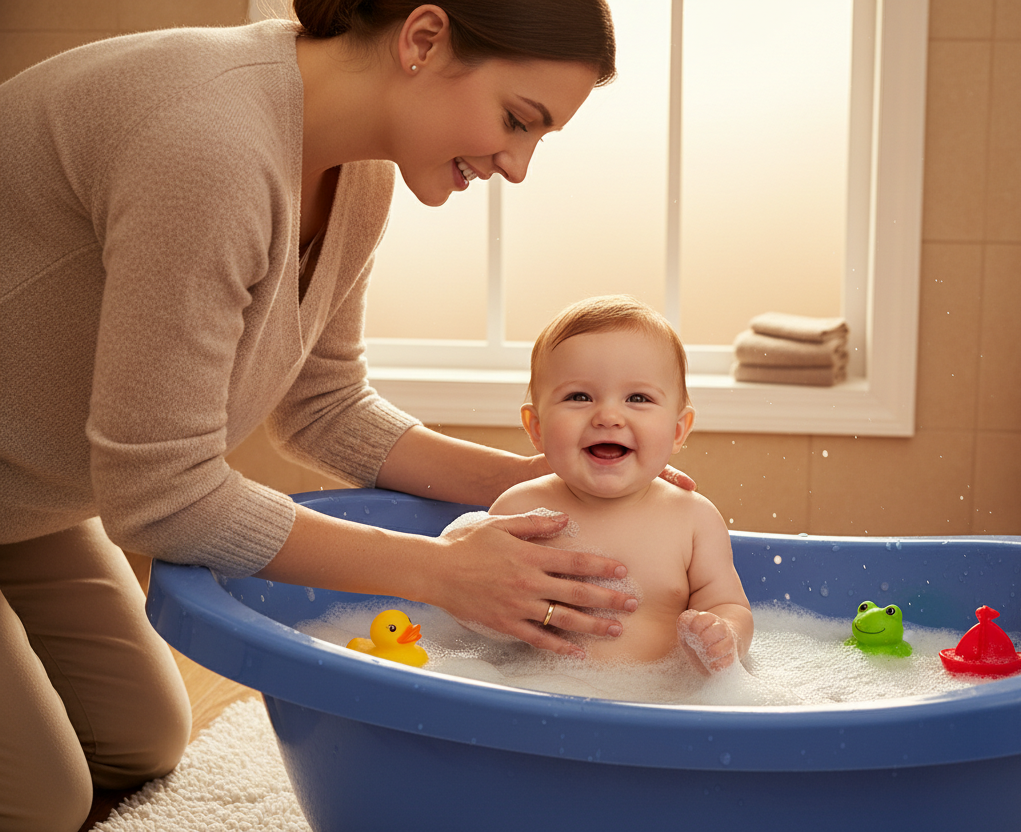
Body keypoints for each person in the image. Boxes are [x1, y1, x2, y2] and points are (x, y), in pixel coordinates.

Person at [0, 3, 693, 830]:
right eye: (517, 121)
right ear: (423, 40)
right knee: (41, 805)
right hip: (42, 482)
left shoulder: (355, 173)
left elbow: (324, 406)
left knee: (140, 742)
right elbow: (161, 497)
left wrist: (546, 479)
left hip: (28, 499)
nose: (517, 166)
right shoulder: (210, 146)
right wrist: (441, 571)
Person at [490, 296, 753, 674]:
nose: (609, 416)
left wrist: (724, 634)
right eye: (579, 396)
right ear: (536, 428)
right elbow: (481, 612)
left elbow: (729, 605)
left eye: (638, 398)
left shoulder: (693, 518)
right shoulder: (519, 511)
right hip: (538, 694)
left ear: (678, 431)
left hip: (662, 703)